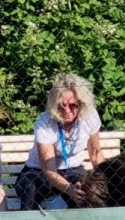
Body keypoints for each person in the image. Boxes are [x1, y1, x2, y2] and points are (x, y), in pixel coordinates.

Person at [15, 74, 105, 210]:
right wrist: (68, 189)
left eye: (73, 105)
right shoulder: (44, 123)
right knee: (29, 187)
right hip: (39, 172)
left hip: (73, 169)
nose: (67, 111)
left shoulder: (90, 116)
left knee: (82, 189)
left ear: (81, 104)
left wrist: (104, 180)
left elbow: (96, 153)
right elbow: (48, 169)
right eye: (61, 106)